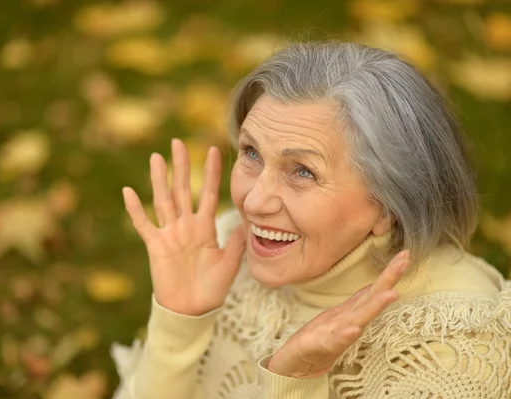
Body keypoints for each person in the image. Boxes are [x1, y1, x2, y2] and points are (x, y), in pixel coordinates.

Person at [111, 42, 511, 398]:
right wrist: (179, 325)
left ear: (388, 206)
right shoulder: (226, 247)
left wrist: (296, 380)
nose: (252, 202)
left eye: (302, 171)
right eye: (251, 153)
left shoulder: (453, 345)